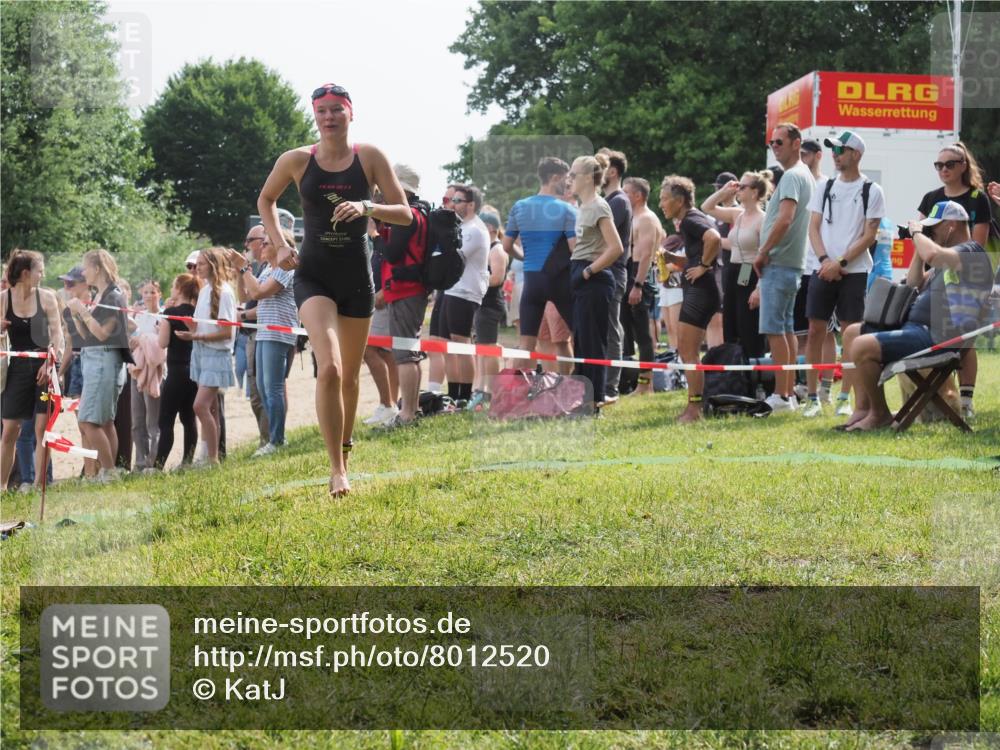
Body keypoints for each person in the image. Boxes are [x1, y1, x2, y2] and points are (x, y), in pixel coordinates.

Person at [258, 83, 412, 497]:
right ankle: (336, 469)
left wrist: (368, 207)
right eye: (322, 111)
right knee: (330, 367)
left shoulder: (370, 157)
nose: (329, 117)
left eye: (336, 110)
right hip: (314, 275)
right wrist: (279, 241)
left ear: (350, 114)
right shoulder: (296, 160)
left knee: (349, 378)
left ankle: (345, 447)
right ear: (315, 115)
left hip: (357, 278)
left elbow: (406, 215)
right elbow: (266, 200)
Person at [840, 201, 993, 431]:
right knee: (852, 333)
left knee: (862, 345)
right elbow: (913, 283)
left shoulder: (972, 251)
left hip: (938, 338)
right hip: (916, 330)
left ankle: (880, 414)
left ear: (951, 225)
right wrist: (917, 245)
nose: (930, 233)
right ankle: (863, 409)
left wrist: (920, 234)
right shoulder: (947, 259)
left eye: (934, 227)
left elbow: (933, 254)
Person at [801, 131, 885, 418]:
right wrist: (826, 260)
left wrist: (841, 262)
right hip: (821, 267)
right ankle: (813, 398)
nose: (835, 154)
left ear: (856, 154)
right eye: (833, 149)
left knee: (851, 334)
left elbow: (869, 234)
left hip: (854, 270)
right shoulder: (824, 187)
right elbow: (812, 227)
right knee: (815, 331)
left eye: (841, 149)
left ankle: (844, 398)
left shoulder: (871, 189)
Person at [917, 142, 993, 420]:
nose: (944, 170)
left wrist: (949, 265)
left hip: (968, 273)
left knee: (966, 339)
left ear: (963, 165)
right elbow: (923, 235)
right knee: (936, 332)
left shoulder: (976, 197)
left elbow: (977, 244)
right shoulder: (931, 197)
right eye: (939, 165)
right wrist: (928, 271)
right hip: (936, 271)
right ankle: (937, 398)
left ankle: (966, 400)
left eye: (949, 164)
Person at [752, 122, 815, 412]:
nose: (774, 147)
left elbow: (785, 218)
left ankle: (781, 394)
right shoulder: (804, 175)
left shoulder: (791, 176)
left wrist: (764, 252)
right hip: (791, 265)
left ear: (795, 143)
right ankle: (786, 394)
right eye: (771, 143)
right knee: (786, 330)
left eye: (779, 142)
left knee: (775, 330)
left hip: (779, 263)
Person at [229, 228, 299, 456]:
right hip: (264, 332)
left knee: (273, 387)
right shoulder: (268, 268)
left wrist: (244, 268)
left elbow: (258, 292)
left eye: (267, 243)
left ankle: (277, 440)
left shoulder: (285, 268)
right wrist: (240, 273)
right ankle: (273, 437)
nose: (262, 247)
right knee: (261, 387)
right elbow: (245, 297)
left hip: (277, 333)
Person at [659, 176, 722, 422]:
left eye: (665, 199)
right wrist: (675, 260)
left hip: (701, 292)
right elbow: (695, 258)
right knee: (688, 350)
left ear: (680, 200)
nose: (662, 204)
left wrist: (704, 266)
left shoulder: (690, 219)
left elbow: (714, 238)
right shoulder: (689, 221)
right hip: (700, 290)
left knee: (688, 351)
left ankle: (695, 410)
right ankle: (693, 407)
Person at [503, 157, 578, 363]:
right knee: (578, 336)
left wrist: (525, 256)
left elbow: (506, 246)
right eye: (565, 179)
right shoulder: (568, 210)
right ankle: (572, 389)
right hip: (560, 280)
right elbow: (574, 249)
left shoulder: (519, 206)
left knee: (526, 344)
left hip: (532, 282)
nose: (568, 184)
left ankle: (517, 393)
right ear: (555, 178)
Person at [65, 249, 131, 480]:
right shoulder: (101, 296)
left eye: (86, 267)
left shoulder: (113, 296)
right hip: (95, 359)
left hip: (104, 361)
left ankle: (109, 471)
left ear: (97, 268)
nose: (83, 272)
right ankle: (107, 472)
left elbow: (103, 334)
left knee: (87, 421)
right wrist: (77, 315)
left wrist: (83, 311)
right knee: (105, 422)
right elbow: (87, 336)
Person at [0, 250, 63, 490]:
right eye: (40, 270)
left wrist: (50, 363)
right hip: (16, 367)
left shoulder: (46, 298)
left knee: (41, 429)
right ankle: (2, 488)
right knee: (9, 431)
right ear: (26, 273)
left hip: (45, 366)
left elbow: (57, 335)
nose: (43, 274)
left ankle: (39, 485)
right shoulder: (3, 299)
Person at [568, 155, 625, 407]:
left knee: (593, 343)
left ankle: (594, 401)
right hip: (581, 275)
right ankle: (581, 398)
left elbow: (616, 248)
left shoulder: (600, 206)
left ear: (589, 178)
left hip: (594, 278)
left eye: (574, 175)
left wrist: (588, 271)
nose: (569, 179)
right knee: (581, 340)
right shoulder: (582, 206)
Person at [379, 163, 431, 427]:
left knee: (404, 354)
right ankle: (413, 409)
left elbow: (392, 254)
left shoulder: (406, 216)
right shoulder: (419, 213)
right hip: (413, 288)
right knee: (410, 350)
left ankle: (407, 413)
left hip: (404, 288)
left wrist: (376, 234)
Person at [175, 247, 236, 467]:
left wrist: (195, 335)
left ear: (212, 265)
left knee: (199, 406)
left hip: (216, 354)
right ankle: (212, 456)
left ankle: (211, 459)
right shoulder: (204, 291)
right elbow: (205, 325)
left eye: (200, 263)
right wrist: (191, 327)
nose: (196, 268)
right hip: (202, 351)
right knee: (210, 408)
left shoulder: (225, 292)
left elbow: (227, 331)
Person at [701, 171, 772, 359]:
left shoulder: (763, 219)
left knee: (748, 323)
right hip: (732, 270)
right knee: (730, 322)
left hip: (750, 271)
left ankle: (753, 372)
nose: (738, 189)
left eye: (742, 186)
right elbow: (706, 207)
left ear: (755, 192)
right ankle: (734, 370)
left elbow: (767, 256)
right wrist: (724, 191)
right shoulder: (737, 215)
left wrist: (759, 288)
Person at [431, 184, 490, 403]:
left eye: (457, 201)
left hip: (465, 292)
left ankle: (465, 396)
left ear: (471, 205)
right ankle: (453, 394)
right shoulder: (462, 226)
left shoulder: (475, 229)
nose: (452, 204)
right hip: (452, 289)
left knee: (461, 343)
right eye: (452, 200)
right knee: (449, 345)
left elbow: (453, 256)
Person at [153, 273, 200, 470]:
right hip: (194, 371)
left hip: (176, 371)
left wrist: (163, 320)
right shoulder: (197, 312)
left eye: (173, 286)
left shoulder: (170, 313)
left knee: (166, 420)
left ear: (179, 289)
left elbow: (162, 343)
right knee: (189, 419)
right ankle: (187, 462)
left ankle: (158, 465)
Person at [597, 149, 633, 402]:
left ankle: (611, 386)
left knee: (611, 330)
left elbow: (601, 237)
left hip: (613, 272)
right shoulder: (607, 201)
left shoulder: (619, 201)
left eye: (602, 167)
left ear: (612, 171)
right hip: (603, 271)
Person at [622, 177, 662, 392]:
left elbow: (647, 254)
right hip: (629, 271)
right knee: (628, 330)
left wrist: (638, 284)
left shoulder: (646, 218)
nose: (622, 195)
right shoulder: (634, 217)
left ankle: (646, 385)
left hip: (639, 274)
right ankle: (630, 379)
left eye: (626, 192)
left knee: (643, 334)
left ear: (637, 195)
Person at [362, 216, 400, 427]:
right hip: (378, 299)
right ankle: (389, 404)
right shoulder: (376, 240)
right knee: (386, 352)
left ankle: (388, 404)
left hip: (384, 300)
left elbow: (394, 265)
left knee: (372, 350)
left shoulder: (386, 237)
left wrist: (385, 291)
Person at [469, 209, 509, 409]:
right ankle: (483, 389)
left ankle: (493, 391)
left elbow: (497, 278)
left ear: (490, 228)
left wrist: (475, 281)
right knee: (482, 349)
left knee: (489, 348)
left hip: (491, 305)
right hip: (482, 304)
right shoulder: (488, 248)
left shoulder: (497, 250)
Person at [57, 265, 93, 475]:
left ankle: (94, 469)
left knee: (90, 422)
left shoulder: (93, 305)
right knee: (82, 422)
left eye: (70, 282)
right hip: (77, 366)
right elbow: (70, 344)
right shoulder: (69, 309)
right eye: (65, 282)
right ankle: (88, 469)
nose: (66, 286)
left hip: (92, 362)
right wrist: (60, 373)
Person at [238, 226, 270, 447]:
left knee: (266, 390)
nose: (246, 245)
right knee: (255, 392)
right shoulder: (257, 269)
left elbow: (264, 303)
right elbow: (244, 296)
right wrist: (241, 272)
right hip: (251, 334)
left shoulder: (271, 268)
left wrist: (243, 315)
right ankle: (264, 438)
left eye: (251, 240)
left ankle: (271, 438)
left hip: (264, 333)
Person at [129, 280, 164, 469]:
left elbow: (160, 345)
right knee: (137, 420)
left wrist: (142, 340)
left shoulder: (163, 316)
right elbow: (132, 339)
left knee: (153, 421)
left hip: (155, 372)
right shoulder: (138, 316)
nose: (149, 295)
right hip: (137, 370)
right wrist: (136, 341)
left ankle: (153, 461)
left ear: (159, 294)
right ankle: (140, 461)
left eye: (152, 292)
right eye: (145, 292)